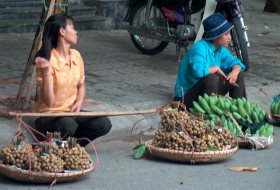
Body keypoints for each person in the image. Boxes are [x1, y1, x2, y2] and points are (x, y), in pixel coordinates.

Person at [34, 13, 112, 147]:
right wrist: (46, 72)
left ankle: (72, 146)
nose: (76, 31)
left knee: (103, 123)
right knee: (68, 125)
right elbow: (50, 102)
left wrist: (79, 101)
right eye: (72, 27)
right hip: (49, 116)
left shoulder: (76, 56)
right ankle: (56, 144)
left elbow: (81, 85)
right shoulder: (47, 60)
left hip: (70, 113)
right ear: (62, 31)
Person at [174, 12, 247, 109]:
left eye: (229, 33)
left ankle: (241, 111)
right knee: (211, 78)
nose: (229, 37)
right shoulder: (199, 49)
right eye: (226, 34)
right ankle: (210, 113)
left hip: (206, 93)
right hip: (185, 98)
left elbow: (237, 63)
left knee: (239, 74)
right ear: (216, 36)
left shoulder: (220, 49)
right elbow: (199, 71)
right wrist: (216, 69)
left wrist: (235, 72)